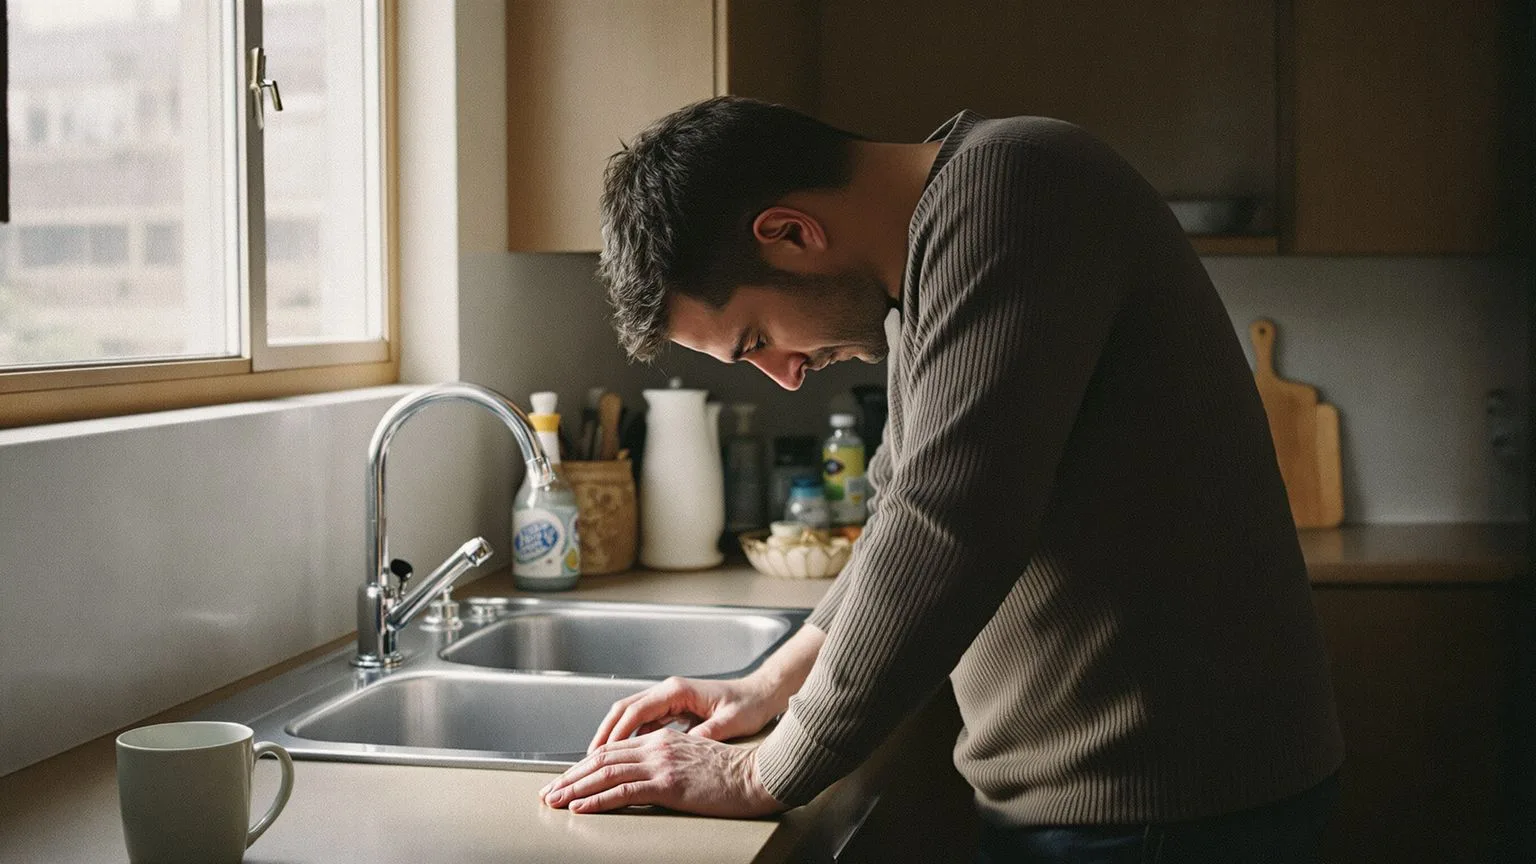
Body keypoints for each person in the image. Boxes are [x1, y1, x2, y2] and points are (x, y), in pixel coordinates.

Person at [537, 96, 1344, 863]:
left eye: (754, 339)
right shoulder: (938, 252)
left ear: (788, 231)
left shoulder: (1016, 190)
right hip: (1113, 803)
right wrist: (771, 683)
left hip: (1162, 805)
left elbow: (948, 522)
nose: (784, 378)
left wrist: (760, 772)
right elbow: (901, 506)